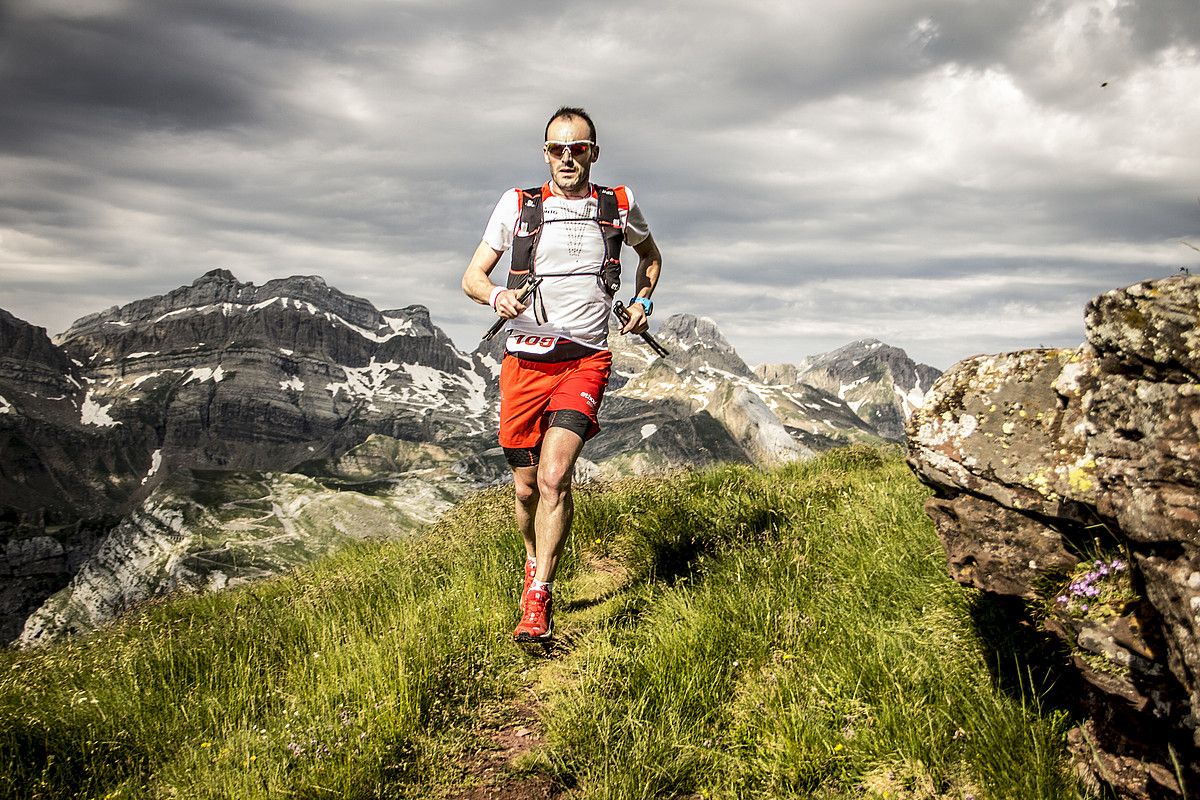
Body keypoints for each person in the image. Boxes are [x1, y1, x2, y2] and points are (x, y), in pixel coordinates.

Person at [461, 106, 662, 643]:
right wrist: (498, 295)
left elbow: (651, 257)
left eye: (578, 148)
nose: (567, 158)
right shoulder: (518, 205)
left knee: (554, 477)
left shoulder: (618, 205)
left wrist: (643, 299)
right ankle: (532, 561)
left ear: (594, 152)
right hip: (525, 360)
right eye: (557, 149)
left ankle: (539, 596)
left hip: (586, 358)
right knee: (525, 489)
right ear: (545, 153)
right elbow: (472, 277)